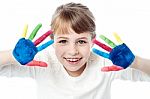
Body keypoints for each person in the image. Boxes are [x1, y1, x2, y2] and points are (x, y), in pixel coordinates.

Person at [0, 2, 150, 99]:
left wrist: (135, 62)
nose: (72, 51)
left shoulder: (108, 63)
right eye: (63, 41)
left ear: (92, 40)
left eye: (81, 41)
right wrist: (12, 56)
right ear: (52, 39)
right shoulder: (41, 61)